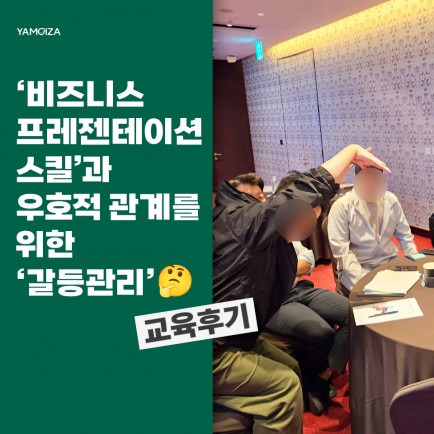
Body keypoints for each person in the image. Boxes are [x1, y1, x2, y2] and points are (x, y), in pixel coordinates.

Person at [213, 145, 389, 434]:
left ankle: (316, 382)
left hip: (239, 323)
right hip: (212, 340)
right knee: (284, 386)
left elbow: (306, 261)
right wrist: (350, 152)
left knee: (293, 366)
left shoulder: (265, 234)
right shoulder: (244, 224)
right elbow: (306, 191)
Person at [231, 172, 350, 416]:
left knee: (354, 312)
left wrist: (284, 268)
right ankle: (315, 382)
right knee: (321, 332)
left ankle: (325, 373)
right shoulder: (239, 234)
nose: (258, 202)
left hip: (300, 289)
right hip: (273, 301)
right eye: (249, 198)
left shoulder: (278, 223)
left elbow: (307, 258)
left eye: (260, 196)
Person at [328, 164, 417, 292]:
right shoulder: (342, 206)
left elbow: (405, 236)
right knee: (381, 295)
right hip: (358, 267)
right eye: (366, 179)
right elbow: (342, 252)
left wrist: (416, 261)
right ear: (357, 179)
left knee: (415, 286)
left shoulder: (391, 200)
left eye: (375, 179)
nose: (371, 183)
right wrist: (363, 280)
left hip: (390, 262)